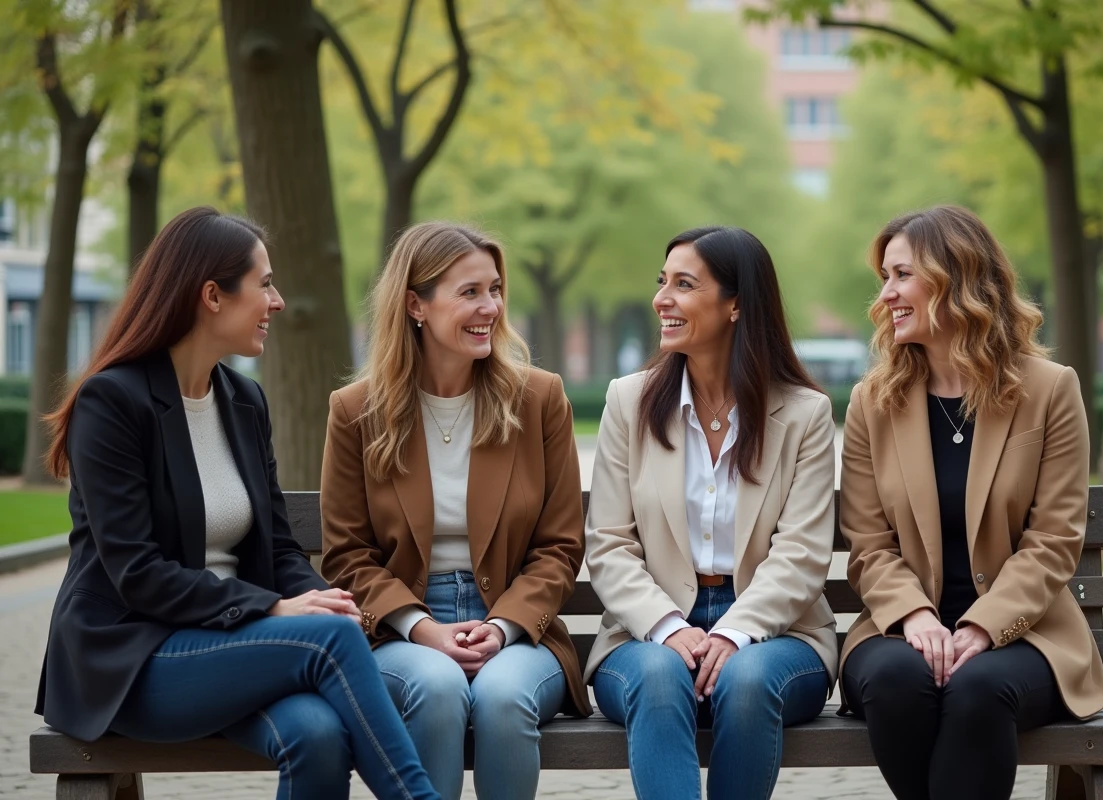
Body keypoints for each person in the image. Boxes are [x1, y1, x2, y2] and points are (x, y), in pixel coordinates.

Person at [35, 207, 439, 800]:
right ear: (211, 296)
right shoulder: (113, 403)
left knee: (319, 733)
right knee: (331, 641)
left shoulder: (243, 400)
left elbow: (276, 546)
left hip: (232, 650)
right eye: (265, 284)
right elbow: (138, 576)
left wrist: (314, 599)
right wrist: (276, 611)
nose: (277, 302)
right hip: (131, 660)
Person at [838, 205, 1103, 800]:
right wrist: (914, 617)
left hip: (1026, 636)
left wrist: (983, 627)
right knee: (897, 681)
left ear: (955, 277)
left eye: (902, 275)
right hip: (897, 633)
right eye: (884, 278)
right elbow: (868, 546)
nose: (885, 295)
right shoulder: (871, 403)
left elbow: (1055, 540)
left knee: (977, 688)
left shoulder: (1049, 390)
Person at [320, 221, 590, 800]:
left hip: (516, 626)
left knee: (502, 696)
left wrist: (500, 627)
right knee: (439, 688)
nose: (489, 307)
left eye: (494, 290)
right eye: (469, 292)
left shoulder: (539, 399)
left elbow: (561, 547)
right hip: (398, 628)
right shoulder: (355, 411)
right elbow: (347, 555)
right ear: (415, 304)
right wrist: (422, 628)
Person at [583, 226, 838, 800]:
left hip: (778, 634)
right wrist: (670, 628)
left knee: (745, 682)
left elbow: (800, 553)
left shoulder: (804, 415)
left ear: (736, 304)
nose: (661, 299)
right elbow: (609, 543)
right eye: (661, 282)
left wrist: (736, 631)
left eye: (684, 284)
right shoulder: (629, 402)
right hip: (647, 629)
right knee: (657, 674)